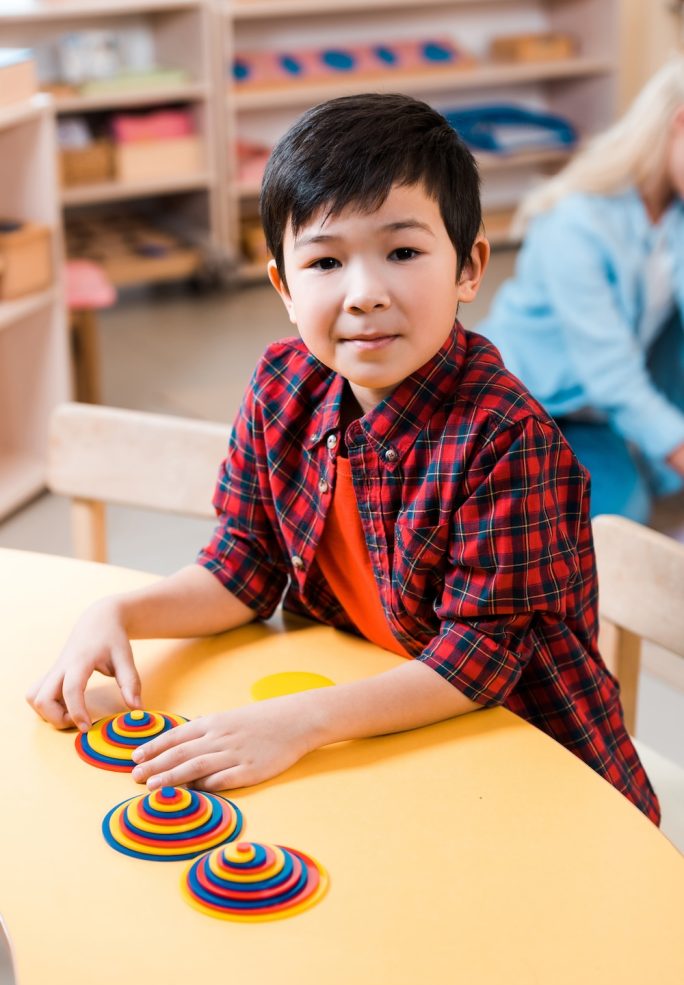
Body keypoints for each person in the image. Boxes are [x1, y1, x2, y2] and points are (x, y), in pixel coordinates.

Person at [27, 93, 659, 824]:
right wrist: (120, 611)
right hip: (378, 733)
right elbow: (245, 565)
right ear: (284, 288)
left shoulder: (507, 437)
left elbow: (478, 660)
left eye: (403, 252)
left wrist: (296, 722)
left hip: (535, 763)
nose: (364, 295)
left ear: (468, 266)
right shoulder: (281, 384)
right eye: (326, 261)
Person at [478, 56, 684, 524]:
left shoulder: (675, 217)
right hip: (521, 402)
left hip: (589, 411)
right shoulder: (577, 222)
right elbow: (613, 377)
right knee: (607, 522)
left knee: (629, 505)